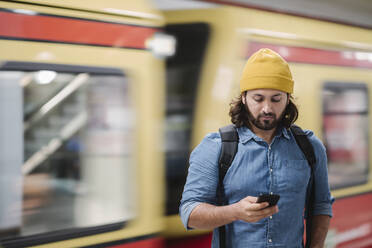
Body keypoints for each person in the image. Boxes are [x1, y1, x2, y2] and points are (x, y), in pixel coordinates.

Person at [179, 48, 333, 247]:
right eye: (258, 99)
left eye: (276, 99)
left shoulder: (310, 147)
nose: (267, 108)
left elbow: (321, 205)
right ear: (243, 97)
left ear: (288, 98)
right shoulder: (215, 148)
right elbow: (189, 213)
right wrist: (234, 211)